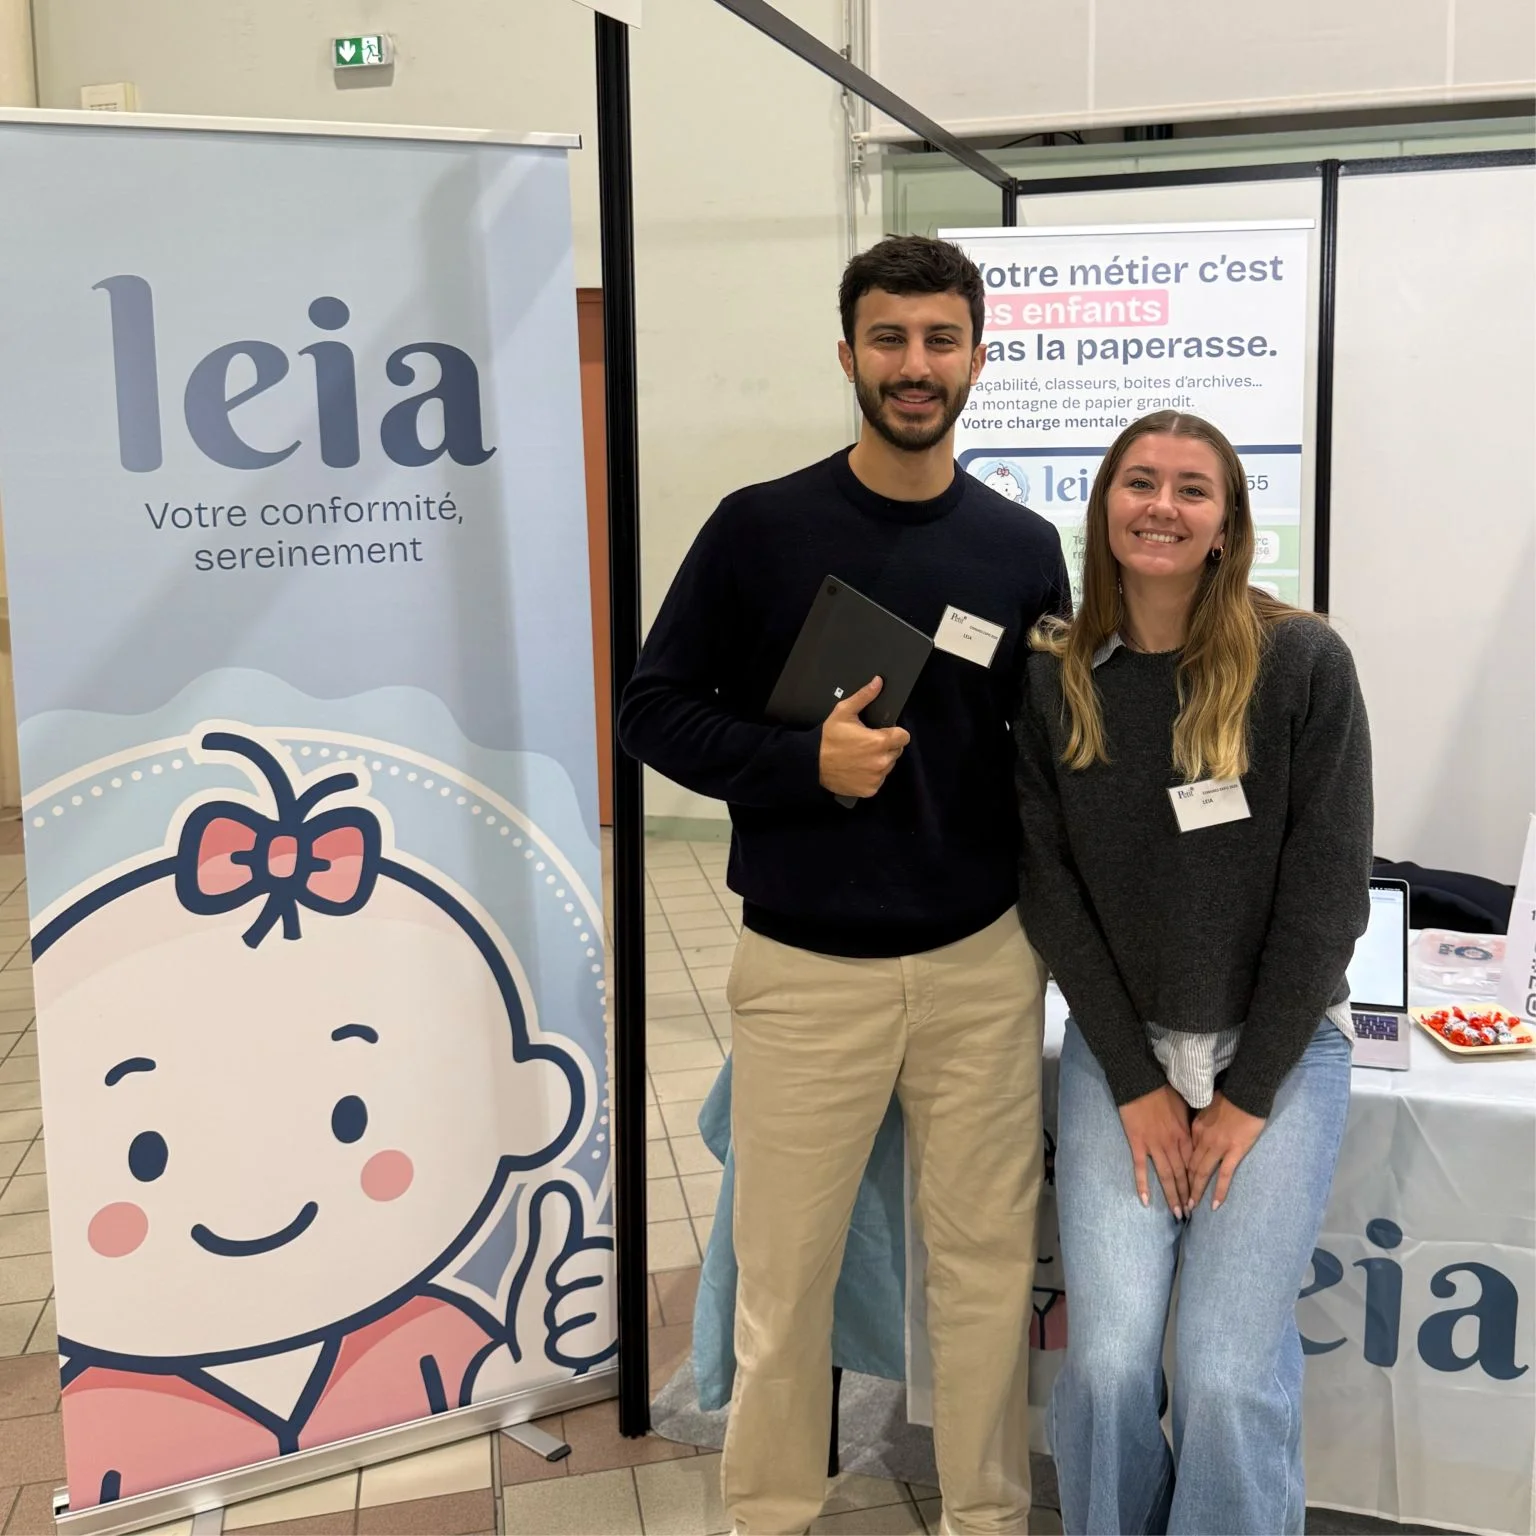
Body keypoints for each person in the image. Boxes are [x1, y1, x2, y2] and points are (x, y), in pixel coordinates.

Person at [620, 235, 1069, 1535]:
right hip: (807, 973)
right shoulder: (761, 529)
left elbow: (1039, 759)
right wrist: (798, 761)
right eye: (890, 339)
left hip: (983, 969)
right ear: (848, 355)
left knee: (984, 1271)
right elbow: (651, 714)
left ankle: (986, 1514)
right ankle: (770, 1513)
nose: (914, 366)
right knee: (786, 1276)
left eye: (940, 340)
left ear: (978, 359)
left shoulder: (1020, 547)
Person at [1015, 410, 1373, 1535]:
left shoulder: (1302, 664)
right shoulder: (1056, 673)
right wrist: (1133, 1079)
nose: (1161, 505)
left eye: (1191, 488)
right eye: (1139, 481)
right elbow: (1049, 887)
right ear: (1105, 506)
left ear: (1227, 523)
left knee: (1224, 1374)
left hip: (1278, 1058)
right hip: (1122, 1056)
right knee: (1111, 1368)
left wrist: (1246, 1096)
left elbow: (1327, 902)